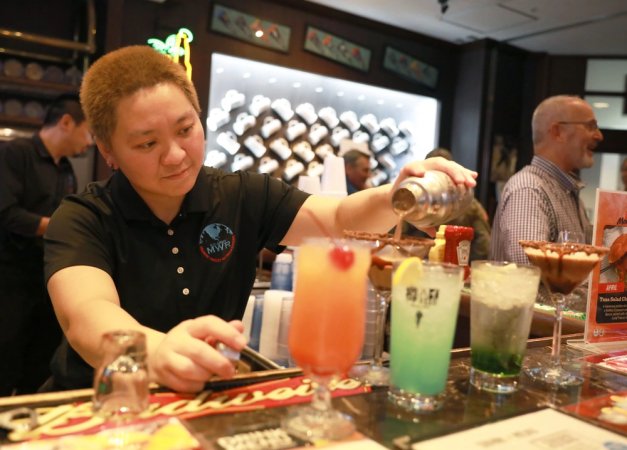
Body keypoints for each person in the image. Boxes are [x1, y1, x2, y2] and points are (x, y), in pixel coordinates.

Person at [43, 45, 477, 393]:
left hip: (205, 395)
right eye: (146, 144)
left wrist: (396, 193)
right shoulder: (83, 217)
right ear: (108, 151)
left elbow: (338, 219)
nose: (175, 155)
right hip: (97, 402)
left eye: (185, 129)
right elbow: (86, 315)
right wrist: (154, 353)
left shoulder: (241, 195)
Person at [0, 94, 93, 395]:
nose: (90, 142)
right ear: (67, 122)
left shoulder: (65, 170)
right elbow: (7, 213)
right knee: (5, 357)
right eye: (89, 131)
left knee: (39, 363)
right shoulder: (16, 154)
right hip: (10, 279)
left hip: (46, 280)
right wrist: (61, 226)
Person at [490, 95, 603, 264]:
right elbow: (529, 276)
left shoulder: (567, 191)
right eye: (590, 126)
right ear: (558, 132)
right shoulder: (529, 190)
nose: (599, 136)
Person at [424, 147, 491, 261]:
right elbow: (483, 244)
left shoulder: (471, 205)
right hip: (453, 267)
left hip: (425, 266)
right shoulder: (470, 204)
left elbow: (483, 243)